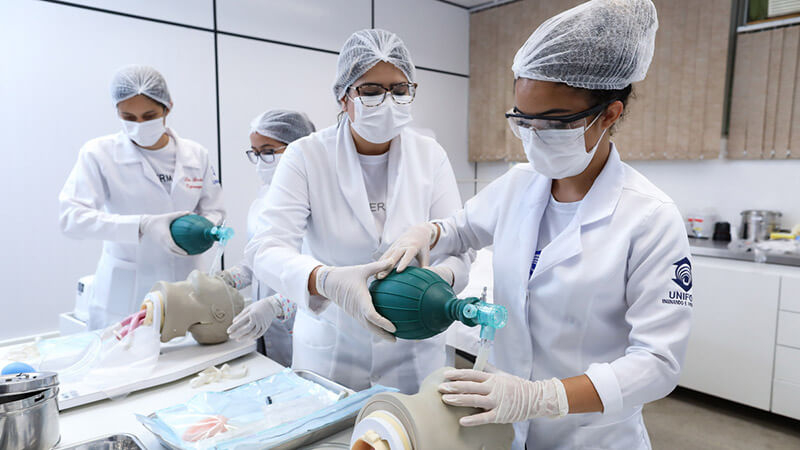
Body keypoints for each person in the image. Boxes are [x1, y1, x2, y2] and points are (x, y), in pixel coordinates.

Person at [380, 1, 692, 448]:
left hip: (592, 437)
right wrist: (426, 233)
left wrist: (544, 397)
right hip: (507, 429)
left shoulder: (649, 219)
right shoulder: (519, 185)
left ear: (610, 114)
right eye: (523, 120)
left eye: (553, 123)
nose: (533, 136)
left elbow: (658, 364)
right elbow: (461, 228)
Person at [245, 29, 471, 394]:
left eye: (399, 90)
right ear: (343, 97)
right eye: (370, 91)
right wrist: (325, 280)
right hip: (332, 353)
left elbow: (460, 244)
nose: (388, 101)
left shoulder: (430, 155)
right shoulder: (306, 156)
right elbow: (266, 247)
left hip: (414, 351)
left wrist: (437, 280)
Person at [59, 65, 225, 330]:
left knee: (190, 363)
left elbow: (215, 209)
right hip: (125, 289)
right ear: (117, 112)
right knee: (124, 363)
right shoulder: (99, 153)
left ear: (168, 107)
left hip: (186, 278)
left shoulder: (197, 154)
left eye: (149, 116)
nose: (139, 125)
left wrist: (204, 231)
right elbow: (71, 219)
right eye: (128, 116)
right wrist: (141, 226)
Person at [218, 109, 316, 367]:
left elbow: (323, 278)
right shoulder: (263, 200)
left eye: (269, 151)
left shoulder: (319, 200)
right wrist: (230, 279)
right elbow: (259, 262)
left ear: (297, 147)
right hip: (266, 327)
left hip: (303, 324)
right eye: (255, 152)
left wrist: (275, 305)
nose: (261, 160)